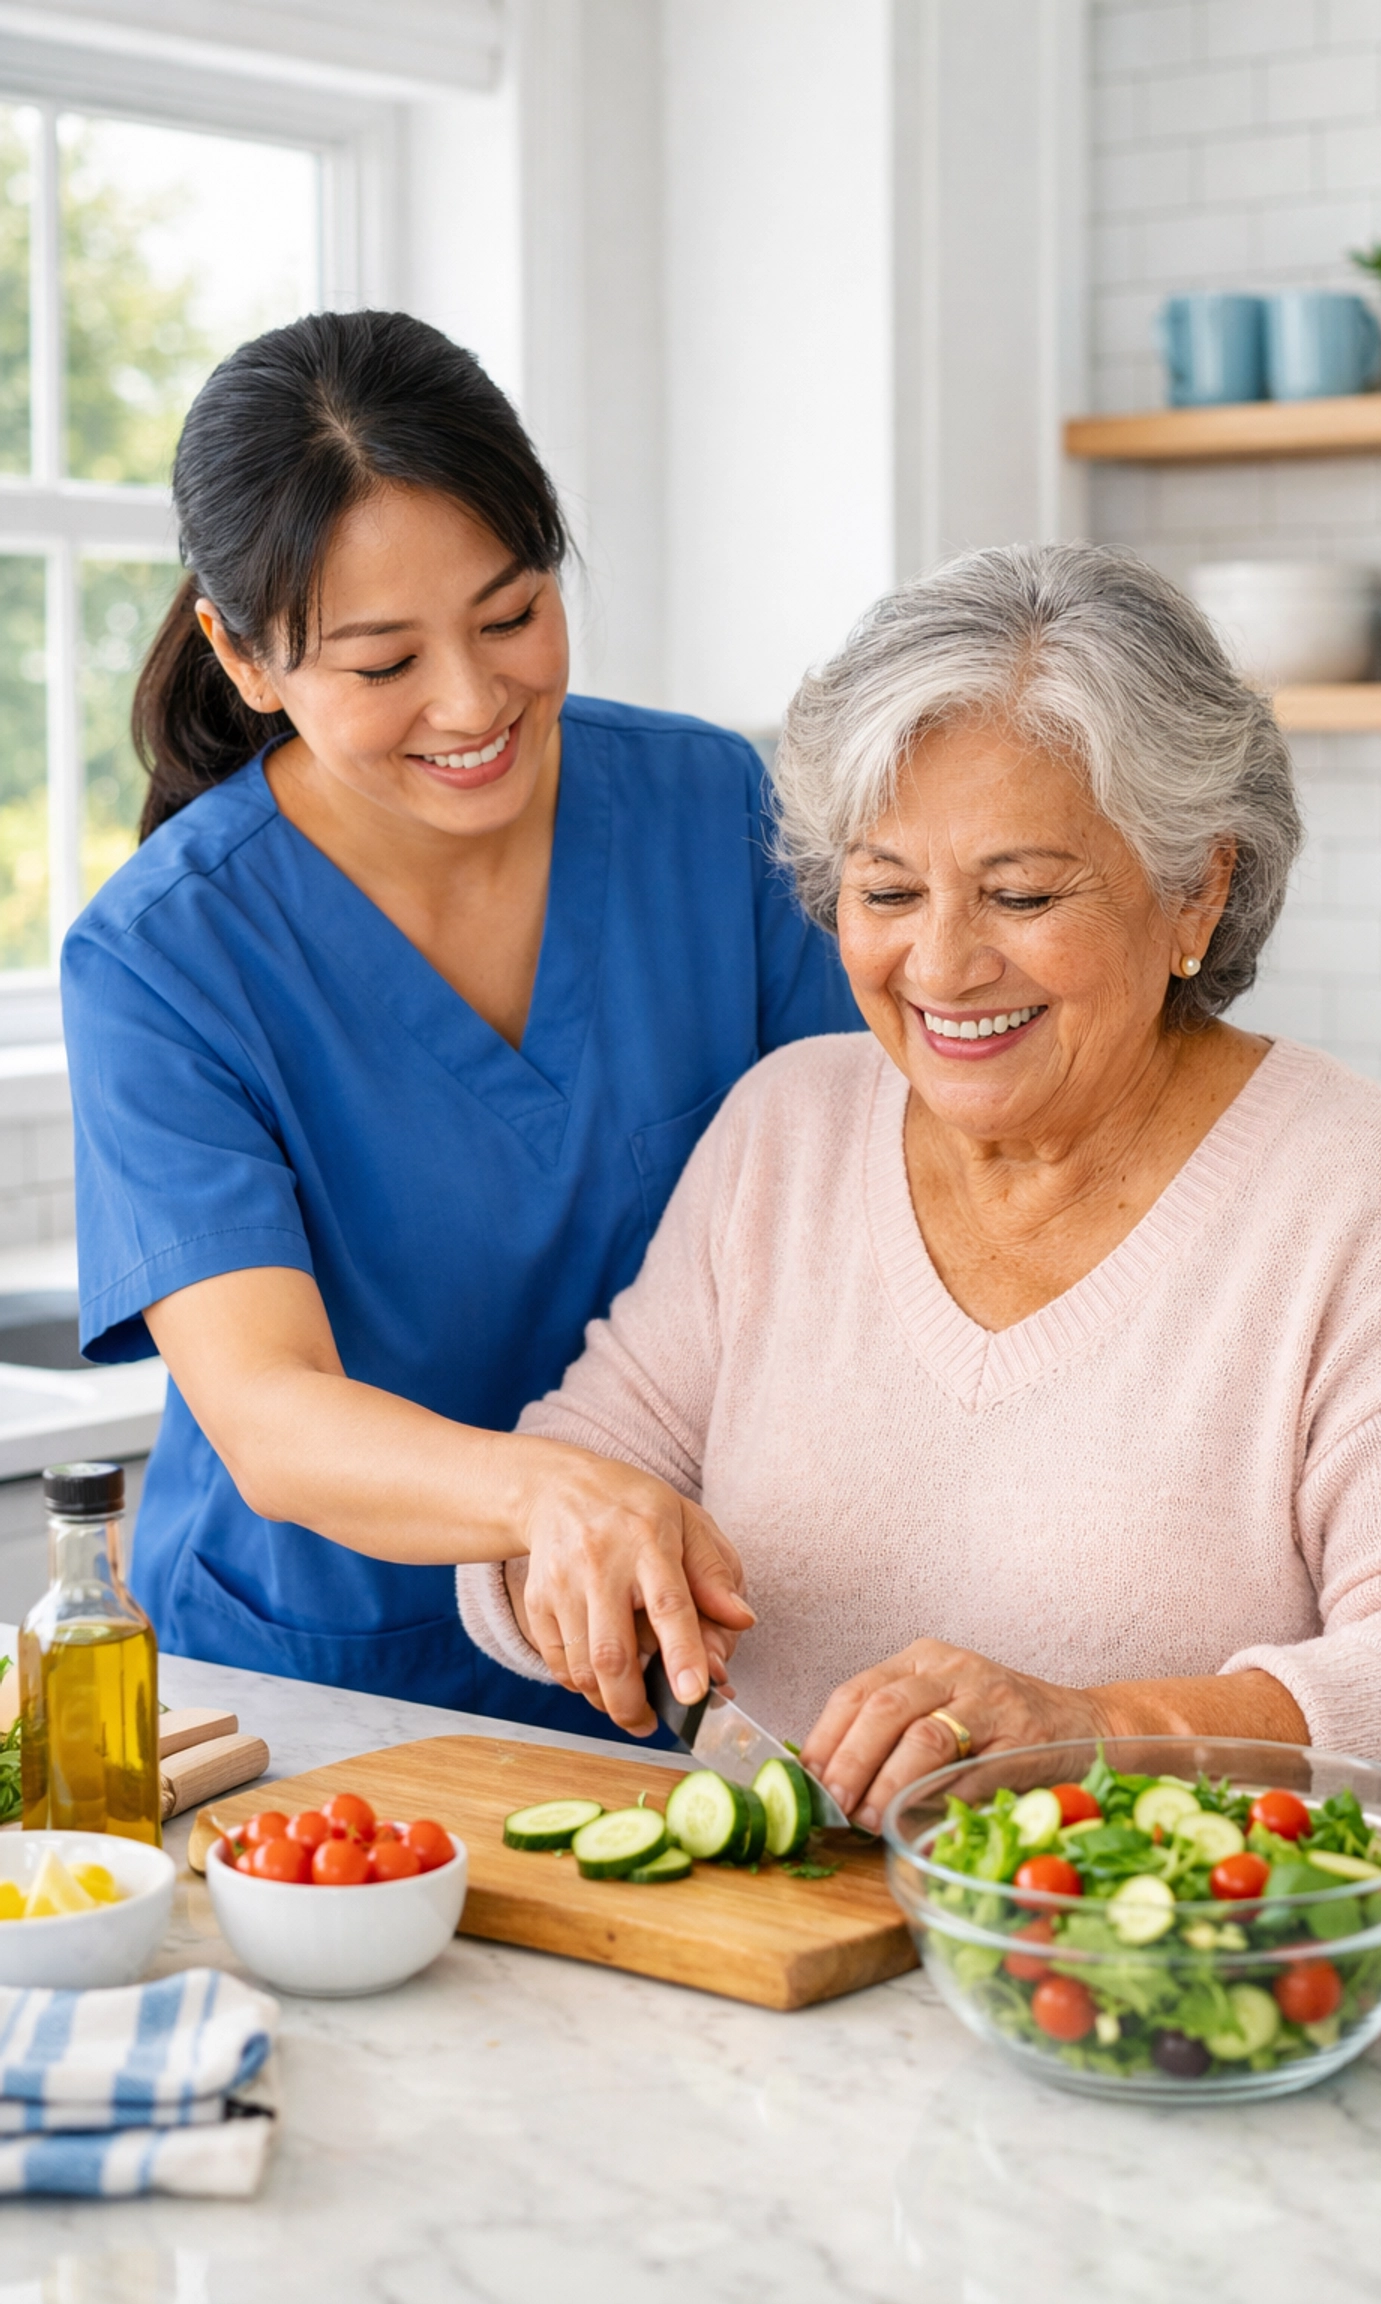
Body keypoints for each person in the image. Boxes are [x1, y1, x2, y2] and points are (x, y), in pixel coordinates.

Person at [458, 542, 1381, 1916]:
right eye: (887, 891)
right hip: (823, 1980)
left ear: (1195, 890)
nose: (944, 965)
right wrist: (566, 1556)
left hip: (1238, 2005)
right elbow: (570, 1476)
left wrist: (1107, 1734)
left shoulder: (1361, 1186)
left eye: (1021, 896)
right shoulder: (785, 1130)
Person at [63, 309, 857, 1726]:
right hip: (313, 1681)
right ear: (245, 661)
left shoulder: (710, 811)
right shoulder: (163, 958)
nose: (476, 700)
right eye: (381, 665)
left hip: (675, 1642)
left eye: (513, 614)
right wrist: (555, 1491)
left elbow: (858, 1209)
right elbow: (271, 1416)